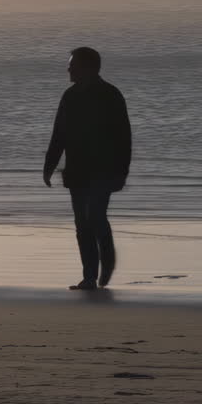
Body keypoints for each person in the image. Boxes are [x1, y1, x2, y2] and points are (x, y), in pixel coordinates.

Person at [43, 46, 132, 290]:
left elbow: (124, 136)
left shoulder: (110, 94)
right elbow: (58, 134)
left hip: (104, 170)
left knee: (95, 216)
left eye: (73, 64)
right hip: (77, 170)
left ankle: (108, 260)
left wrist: (122, 172)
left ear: (89, 67)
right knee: (82, 224)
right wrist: (49, 166)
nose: (68, 68)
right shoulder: (69, 96)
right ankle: (90, 277)